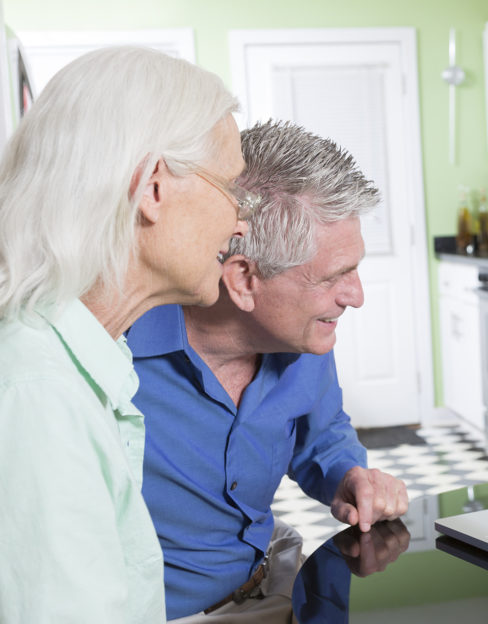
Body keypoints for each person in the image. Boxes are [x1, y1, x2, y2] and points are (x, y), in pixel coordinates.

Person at [0, 46, 250, 623]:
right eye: (232, 189)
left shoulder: (58, 358)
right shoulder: (29, 394)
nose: (239, 221)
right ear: (152, 186)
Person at [126, 120, 409, 620]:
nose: (356, 297)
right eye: (333, 277)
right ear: (244, 280)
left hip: (272, 583)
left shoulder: (301, 338)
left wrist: (347, 475)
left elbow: (321, 436)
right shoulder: (113, 353)